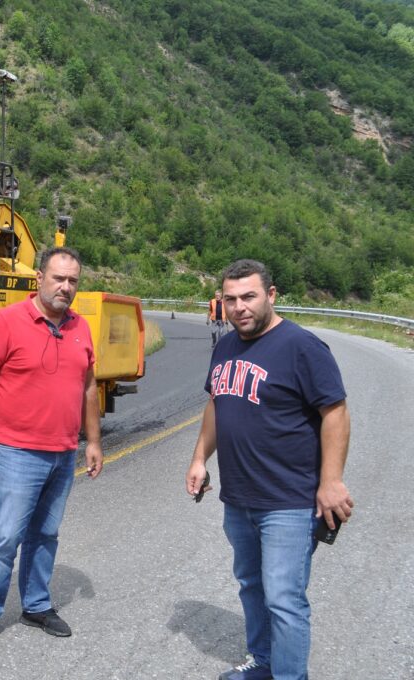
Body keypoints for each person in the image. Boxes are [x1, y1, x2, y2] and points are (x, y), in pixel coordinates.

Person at [186, 259, 353, 680]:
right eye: (230, 299)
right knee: (252, 587)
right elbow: (216, 404)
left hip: (289, 501)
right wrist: (199, 458)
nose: (239, 307)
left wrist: (331, 481)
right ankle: (262, 662)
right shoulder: (224, 346)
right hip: (239, 499)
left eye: (249, 297)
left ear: (271, 295)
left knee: (284, 599)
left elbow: (335, 411)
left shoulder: (302, 346)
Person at [0, 246, 103, 650]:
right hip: (15, 452)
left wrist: (92, 441)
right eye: (58, 278)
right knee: (5, 537)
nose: (65, 286)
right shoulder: (6, 321)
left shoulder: (80, 327)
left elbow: (89, 387)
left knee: (45, 534)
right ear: (39, 278)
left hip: (62, 453)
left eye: (73, 280)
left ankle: (36, 605)